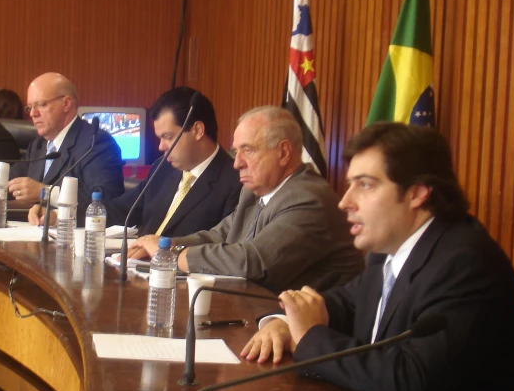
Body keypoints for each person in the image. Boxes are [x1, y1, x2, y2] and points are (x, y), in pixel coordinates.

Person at [241, 122, 514, 391]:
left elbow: (410, 378)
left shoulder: (465, 261)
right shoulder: (390, 249)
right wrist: (285, 322)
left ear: (417, 193)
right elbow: (346, 303)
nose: (345, 201)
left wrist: (309, 337)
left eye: (365, 185)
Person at [128, 106, 363, 294]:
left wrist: (172, 255)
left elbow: (253, 263)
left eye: (248, 151)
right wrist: (162, 244)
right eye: (236, 151)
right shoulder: (255, 190)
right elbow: (218, 235)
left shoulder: (307, 199)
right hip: (259, 312)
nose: (236, 163)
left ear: (283, 152)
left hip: (307, 332)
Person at [28, 87, 242, 237]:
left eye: (168, 137)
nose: (161, 147)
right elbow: (120, 209)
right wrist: (60, 216)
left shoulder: (235, 183)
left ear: (197, 130)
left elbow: (220, 245)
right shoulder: (163, 168)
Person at [0, 72, 124, 224]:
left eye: (42, 105)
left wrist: (44, 192)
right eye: (30, 107)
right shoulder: (39, 144)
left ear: (66, 103)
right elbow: (8, 181)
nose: (32, 114)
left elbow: (105, 199)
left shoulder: (95, 143)